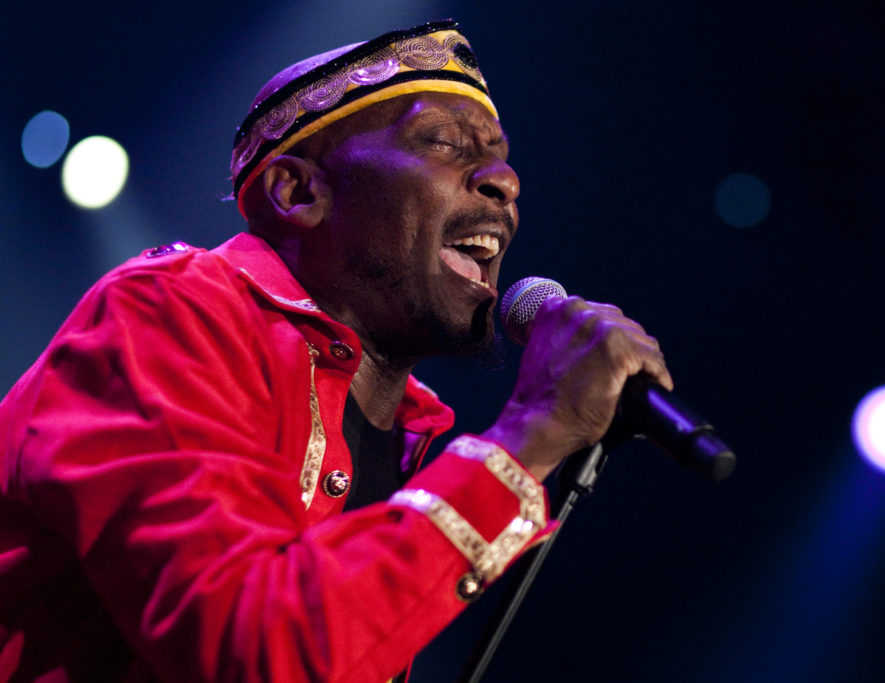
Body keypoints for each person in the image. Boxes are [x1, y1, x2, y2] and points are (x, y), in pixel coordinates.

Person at [0, 20, 671, 683]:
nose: (505, 180)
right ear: (299, 192)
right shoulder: (167, 310)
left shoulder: (406, 429)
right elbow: (252, 649)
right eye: (443, 142)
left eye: (500, 155)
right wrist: (535, 430)